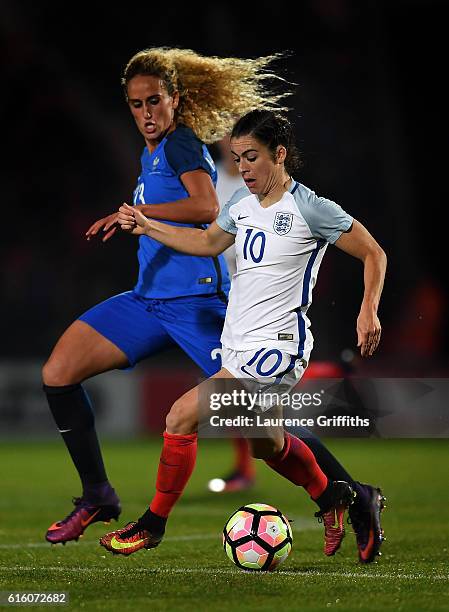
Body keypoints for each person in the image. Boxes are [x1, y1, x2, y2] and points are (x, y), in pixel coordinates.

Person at [100, 109, 387, 563]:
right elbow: (208, 243)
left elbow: (374, 252)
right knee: (266, 443)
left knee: (180, 417)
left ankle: (152, 524)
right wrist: (149, 225)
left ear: (279, 154)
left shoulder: (310, 209)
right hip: (238, 343)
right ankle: (342, 497)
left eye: (251, 157)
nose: (242, 168)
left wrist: (368, 309)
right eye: (236, 158)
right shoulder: (240, 205)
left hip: (277, 346)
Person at [42, 48, 293, 546]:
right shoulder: (151, 152)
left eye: (154, 100)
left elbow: (205, 205)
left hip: (196, 305)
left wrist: (141, 214)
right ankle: (97, 495)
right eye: (136, 104)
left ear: (175, 100)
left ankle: (345, 492)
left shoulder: (180, 145)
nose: (146, 113)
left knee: (260, 419)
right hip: (148, 302)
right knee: (58, 374)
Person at [208, 135, 256, 493]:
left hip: (255, 298)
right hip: (218, 298)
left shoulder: (257, 182)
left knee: (247, 385)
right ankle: (243, 469)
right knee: (228, 387)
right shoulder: (208, 181)